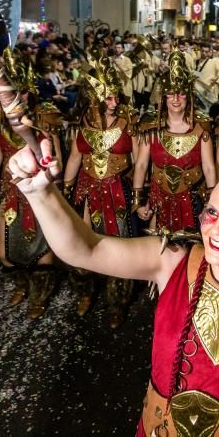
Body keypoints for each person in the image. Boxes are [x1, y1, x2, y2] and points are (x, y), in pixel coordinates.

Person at [11, 156, 219, 435]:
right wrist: (40, 192)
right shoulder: (172, 262)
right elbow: (85, 249)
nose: (216, 230)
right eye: (212, 213)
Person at [0, 50, 63, 320]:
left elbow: (57, 164)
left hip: (40, 191)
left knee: (45, 251)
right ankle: (23, 284)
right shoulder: (1, 124)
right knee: (6, 252)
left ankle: (40, 294)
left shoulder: (45, 121)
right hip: (11, 192)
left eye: (24, 93)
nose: (20, 99)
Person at [63, 55, 139, 326]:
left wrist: (141, 191)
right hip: (87, 189)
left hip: (117, 188)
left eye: (116, 97)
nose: (114, 102)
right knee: (82, 243)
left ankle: (117, 301)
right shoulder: (83, 121)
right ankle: (86, 291)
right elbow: (74, 157)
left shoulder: (129, 121)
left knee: (117, 246)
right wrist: (67, 189)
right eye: (108, 98)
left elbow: (140, 159)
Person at [133, 49, 217, 233]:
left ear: (189, 96)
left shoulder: (201, 127)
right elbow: (140, 166)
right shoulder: (151, 128)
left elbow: (209, 168)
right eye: (171, 94)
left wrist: (211, 207)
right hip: (159, 202)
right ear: (163, 97)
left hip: (194, 202)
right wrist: (138, 202)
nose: (176, 99)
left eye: (181, 94)